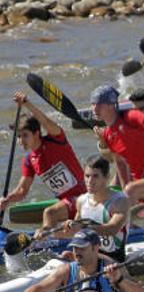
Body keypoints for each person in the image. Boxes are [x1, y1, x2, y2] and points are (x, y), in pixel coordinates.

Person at [14, 229, 143, 292]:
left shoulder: (111, 266)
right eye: (75, 247)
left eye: (82, 248)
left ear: (96, 248)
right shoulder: (66, 270)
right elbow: (41, 286)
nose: (77, 252)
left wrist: (118, 279)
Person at [1, 92, 86, 231]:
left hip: (85, 197)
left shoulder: (56, 140)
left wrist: (27, 103)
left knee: (49, 213)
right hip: (67, 202)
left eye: (25, 136)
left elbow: (45, 121)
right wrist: (7, 200)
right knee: (52, 219)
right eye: (18, 136)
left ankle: (46, 242)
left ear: (36, 133)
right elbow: (22, 191)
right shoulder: (29, 160)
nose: (21, 141)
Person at [91, 85, 144, 202]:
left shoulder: (130, 116)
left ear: (111, 105)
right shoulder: (107, 134)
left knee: (129, 190)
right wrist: (124, 194)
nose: (94, 108)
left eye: (99, 104)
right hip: (138, 186)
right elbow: (120, 164)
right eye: (93, 104)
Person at [58, 156, 130, 263]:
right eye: (87, 176)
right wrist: (50, 233)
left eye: (95, 176)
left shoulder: (120, 201)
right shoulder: (82, 201)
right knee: (64, 255)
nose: (90, 181)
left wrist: (83, 227)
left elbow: (112, 229)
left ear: (106, 177)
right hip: (89, 255)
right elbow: (74, 233)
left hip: (113, 259)